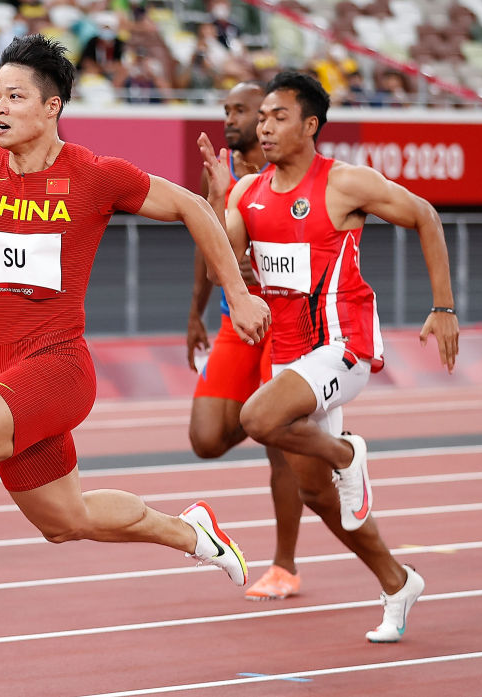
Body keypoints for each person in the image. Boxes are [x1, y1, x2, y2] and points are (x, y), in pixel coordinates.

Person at [0, 35, 271, 659]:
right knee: (66, 520)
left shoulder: (93, 174)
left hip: (59, 367)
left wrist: (239, 290)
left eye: (15, 96)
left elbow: (194, 209)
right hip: (1, 370)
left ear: (52, 108)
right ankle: (192, 532)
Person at [223, 71, 459, 642]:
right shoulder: (245, 193)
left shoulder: (345, 183)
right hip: (290, 353)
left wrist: (444, 308)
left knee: (256, 418)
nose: (265, 126)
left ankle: (347, 454)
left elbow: (424, 214)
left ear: (310, 126)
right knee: (317, 496)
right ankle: (398, 581)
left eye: (279, 116)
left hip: (344, 345)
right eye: (263, 118)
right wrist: (212, 213)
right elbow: (226, 263)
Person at [188, 81, 303, 602]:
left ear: (268, 118)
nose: (231, 118)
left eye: (242, 110)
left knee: (276, 443)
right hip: (237, 322)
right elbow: (206, 245)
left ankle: (284, 566)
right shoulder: (223, 173)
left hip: (283, 325)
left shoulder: (288, 177)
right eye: (227, 109)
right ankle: (308, 440)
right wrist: (195, 313)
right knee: (206, 439)